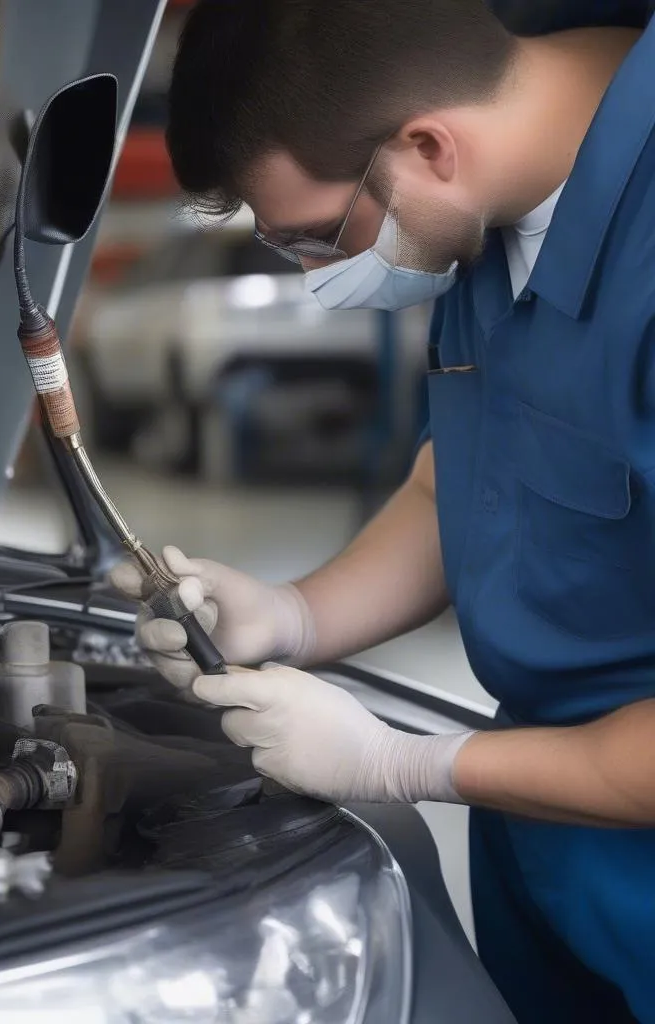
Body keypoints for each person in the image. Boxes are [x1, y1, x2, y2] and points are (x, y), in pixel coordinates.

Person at [110, 1, 655, 1021]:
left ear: (427, 144)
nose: (318, 282)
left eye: (319, 238)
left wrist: (399, 761)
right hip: (542, 818)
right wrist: (292, 615)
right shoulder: (487, 210)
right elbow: (461, 480)